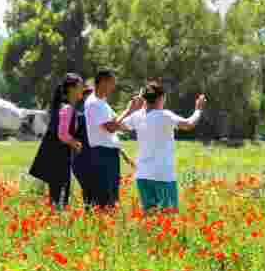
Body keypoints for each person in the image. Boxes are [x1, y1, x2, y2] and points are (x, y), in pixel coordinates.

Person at [124, 81, 205, 213]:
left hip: (143, 175)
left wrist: (130, 109)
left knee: (151, 218)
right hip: (162, 175)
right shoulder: (165, 115)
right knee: (168, 217)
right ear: (161, 98)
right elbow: (189, 124)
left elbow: (118, 125)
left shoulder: (137, 116)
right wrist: (198, 110)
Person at [84, 68, 141, 209]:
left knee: (112, 194)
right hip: (101, 154)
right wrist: (129, 110)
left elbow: (117, 121)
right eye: (112, 83)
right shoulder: (94, 103)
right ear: (103, 82)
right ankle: (102, 221)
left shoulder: (102, 102)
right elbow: (110, 127)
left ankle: (107, 219)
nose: (113, 87)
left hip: (109, 153)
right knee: (104, 195)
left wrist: (133, 111)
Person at [28, 73, 84, 210]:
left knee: (55, 196)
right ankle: (58, 220)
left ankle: (55, 218)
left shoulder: (60, 107)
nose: (82, 89)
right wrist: (75, 144)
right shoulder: (67, 108)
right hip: (59, 159)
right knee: (60, 197)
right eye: (80, 86)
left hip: (53, 157)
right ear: (72, 89)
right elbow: (63, 134)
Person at [70, 86, 95, 206]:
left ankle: (90, 214)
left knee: (90, 191)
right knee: (89, 189)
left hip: (89, 159)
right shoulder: (79, 115)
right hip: (81, 159)